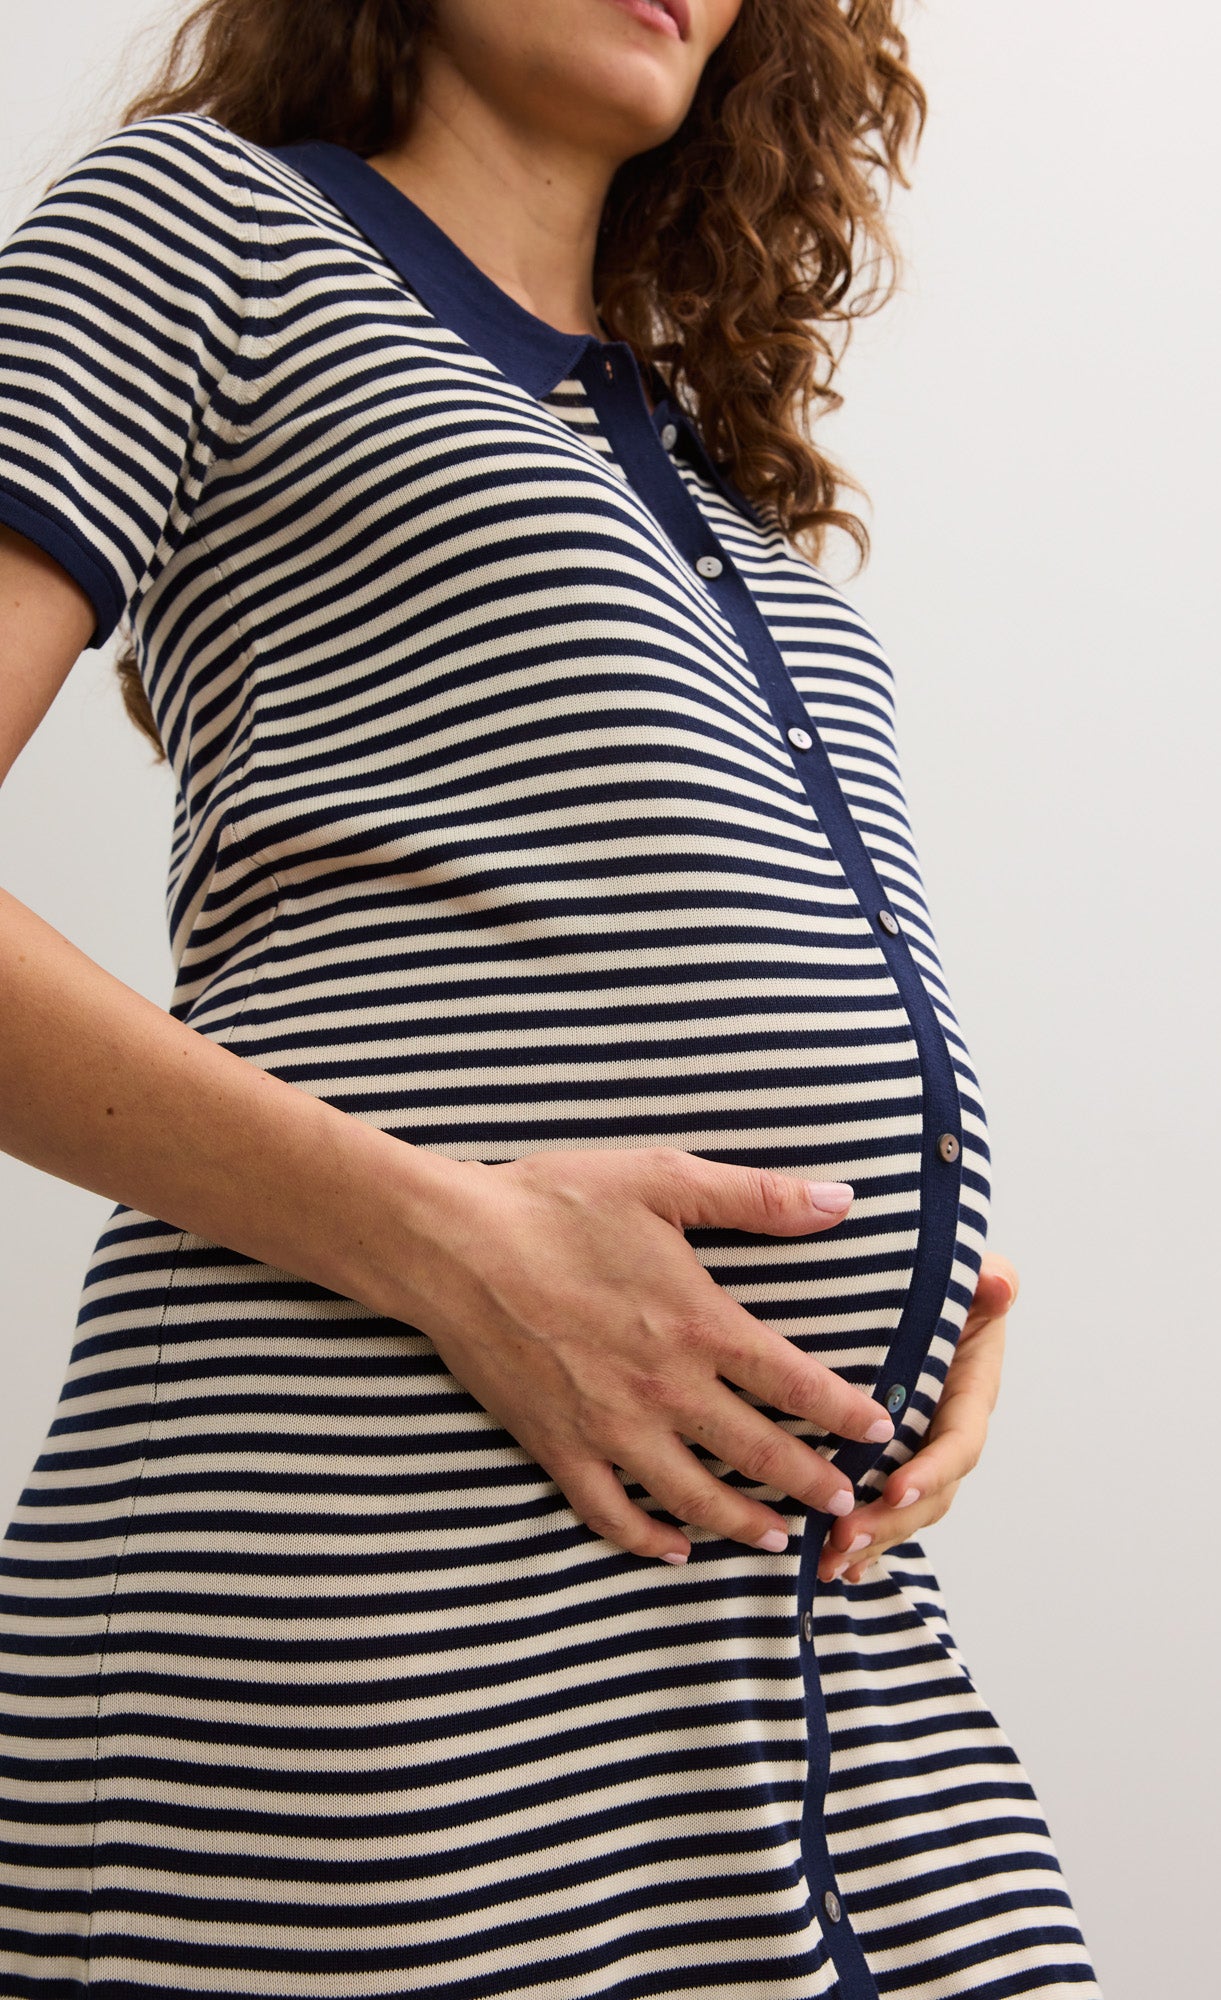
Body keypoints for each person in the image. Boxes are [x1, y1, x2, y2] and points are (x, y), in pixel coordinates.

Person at [0, 0, 1103, 1993]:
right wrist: (445, 1238)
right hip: (371, 1595)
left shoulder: (695, 456)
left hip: (782, 1597)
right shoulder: (209, 230)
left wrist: (923, 1277)